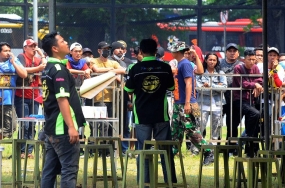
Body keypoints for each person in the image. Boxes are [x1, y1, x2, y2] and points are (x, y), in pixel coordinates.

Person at [124, 38, 176, 184]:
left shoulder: (135, 69)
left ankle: (144, 182)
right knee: (165, 149)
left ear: (140, 51)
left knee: (143, 149)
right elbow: (171, 88)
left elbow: (128, 89)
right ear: (156, 50)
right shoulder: (165, 68)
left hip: (141, 115)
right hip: (161, 114)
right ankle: (169, 181)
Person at [40, 32, 87, 188]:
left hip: (51, 127)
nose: (66, 42)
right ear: (54, 48)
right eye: (62, 41)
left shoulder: (48, 68)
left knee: (49, 171)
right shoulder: (59, 69)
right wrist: (71, 127)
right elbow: (61, 99)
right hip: (62, 129)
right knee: (69, 170)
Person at [169, 41, 214, 165]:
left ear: (177, 51)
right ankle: (170, 155)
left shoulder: (185, 64)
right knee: (176, 131)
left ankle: (208, 152)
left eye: (172, 50)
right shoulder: (181, 64)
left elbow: (189, 83)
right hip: (179, 103)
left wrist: (187, 103)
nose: (171, 52)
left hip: (186, 103)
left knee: (191, 131)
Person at [15, 38, 46, 157]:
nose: (33, 48)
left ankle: (29, 151)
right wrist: (37, 69)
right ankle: (22, 150)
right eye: (31, 46)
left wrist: (41, 54)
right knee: (25, 124)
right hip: (21, 95)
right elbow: (22, 69)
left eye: (35, 46)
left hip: (34, 95)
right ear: (25, 48)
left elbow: (45, 66)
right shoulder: (21, 57)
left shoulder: (38, 59)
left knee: (33, 124)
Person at [0, 42, 27, 143]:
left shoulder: (14, 61)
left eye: (9, 51)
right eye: (5, 51)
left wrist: (13, 63)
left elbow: (24, 74)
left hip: (8, 100)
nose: (8, 53)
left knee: (10, 127)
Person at [231, 49, 263, 156]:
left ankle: (249, 147)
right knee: (235, 124)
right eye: (249, 59)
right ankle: (240, 142)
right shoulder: (238, 68)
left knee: (254, 120)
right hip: (239, 99)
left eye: (254, 59)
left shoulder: (256, 68)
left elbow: (260, 80)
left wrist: (256, 84)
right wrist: (254, 85)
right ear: (244, 59)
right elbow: (242, 83)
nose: (252, 61)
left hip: (251, 99)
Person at [90, 41, 126, 138]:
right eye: (104, 49)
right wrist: (112, 71)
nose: (106, 51)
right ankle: (101, 147)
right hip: (99, 97)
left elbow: (122, 70)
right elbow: (96, 70)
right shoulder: (93, 60)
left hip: (112, 97)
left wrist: (110, 71)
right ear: (99, 50)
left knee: (111, 124)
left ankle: (110, 148)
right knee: (103, 124)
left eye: (108, 49)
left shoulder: (113, 62)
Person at [196, 53, 227, 143]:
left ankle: (213, 148)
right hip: (203, 104)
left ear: (217, 61)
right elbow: (199, 89)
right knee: (200, 127)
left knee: (216, 128)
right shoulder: (200, 72)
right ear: (206, 60)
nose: (212, 62)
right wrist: (217, 87)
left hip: (217, 104)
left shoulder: (220, 73)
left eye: (214, 60)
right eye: (210, 59)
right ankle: (196, 148)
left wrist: (210, 85)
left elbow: (224, 88)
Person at [219, 43, 241, 142]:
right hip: (220, 96)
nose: (232, 53)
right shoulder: (219, 63)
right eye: (230, 51)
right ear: (226, 53)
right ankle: (216, 144)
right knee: (217, 122)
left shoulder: (241, 65)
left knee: (232, 123)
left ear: (238, 53)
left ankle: (231, 147)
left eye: (234, 51)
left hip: (235, 97)